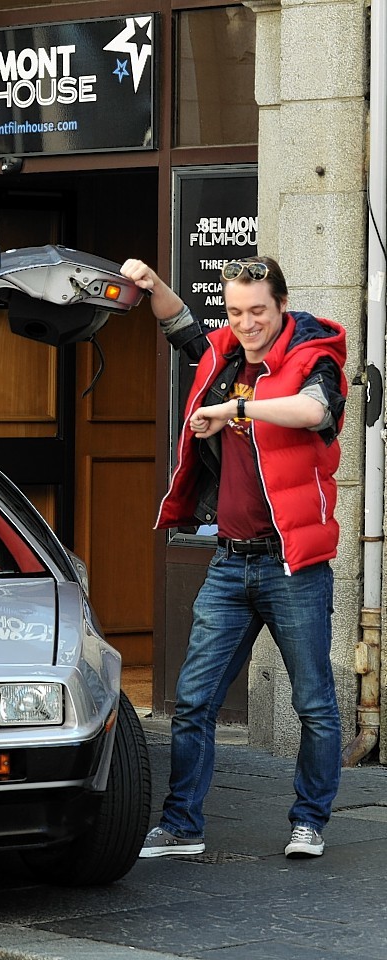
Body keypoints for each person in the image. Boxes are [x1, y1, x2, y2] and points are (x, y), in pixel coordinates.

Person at [121, 255, 347, 861]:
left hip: (292, 564)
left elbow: (314, 411)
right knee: (194, 700)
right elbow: (181, 327)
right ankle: (182, 827)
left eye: (258, 311)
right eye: (235, 311)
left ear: (281, 305)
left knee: (314, 703)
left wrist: (235, 410)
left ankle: (309, 821)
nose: (245, 324)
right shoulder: (223, 354)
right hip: (229, 561)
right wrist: (153, 285)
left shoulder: (315, 356)